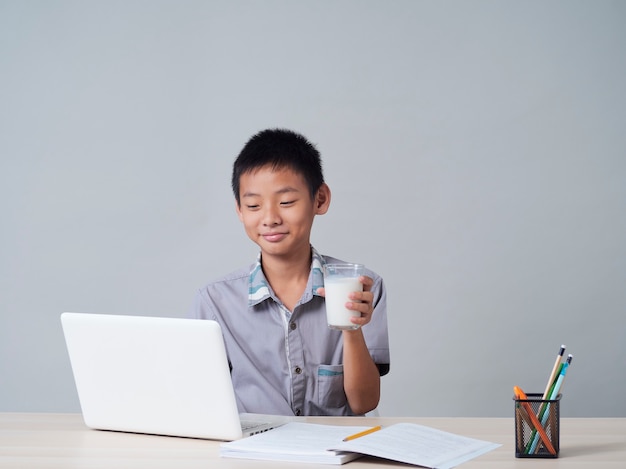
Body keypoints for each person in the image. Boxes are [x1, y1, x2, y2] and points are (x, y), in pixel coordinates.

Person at [191, 128, 389, 416]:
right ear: (240, 211)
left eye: (286, 202)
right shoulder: (214, 301)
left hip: (330, 455)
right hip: (253, 454)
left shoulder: (360, 287)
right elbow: (200, 400)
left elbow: (364, 403)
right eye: (253, 205)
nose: (270, 218)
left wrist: (352, 328)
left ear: (319, 199)